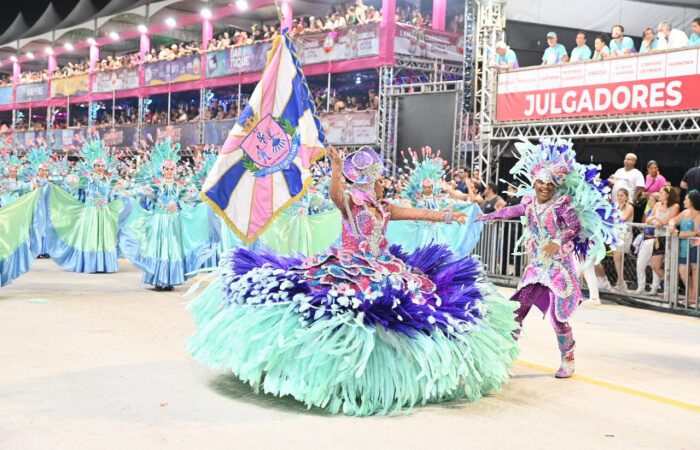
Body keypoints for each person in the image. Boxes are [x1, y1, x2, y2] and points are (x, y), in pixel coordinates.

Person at [187, 146, 519, 415]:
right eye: (374, 178)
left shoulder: (385, 206)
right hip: (349, 265)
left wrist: (450, 215)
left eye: (378, 178)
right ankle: (331, 376)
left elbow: (417, 213)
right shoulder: (352, 200)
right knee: (345, 314)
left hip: (383, 265)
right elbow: (334, 194)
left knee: (404, 311)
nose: (379, 182)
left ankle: (378, 379)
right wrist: (334, 166)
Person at [480, 137, 624, 378]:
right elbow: (509, 211)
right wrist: (483, 217)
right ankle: (503, 355)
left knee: (559, 318)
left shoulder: (561, 204)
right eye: (541, 183)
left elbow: (574, 227)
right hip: (536, 266)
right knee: (518, 310)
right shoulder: (528, 202)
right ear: (534, 183)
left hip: (559, 267)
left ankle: (568, 358)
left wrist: (557, 241)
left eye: (550, 183)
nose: (546, 187)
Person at [644, 187, 680, 295]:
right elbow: (647, 219)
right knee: (655, 265)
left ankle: (670, 289)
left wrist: (657, 220)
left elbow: (667, 221)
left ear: (668, 195)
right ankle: (670, 284)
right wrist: (655, 219)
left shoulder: (675, 206)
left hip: (668, 237)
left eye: (661, 192)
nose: (659, 194)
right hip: (658, 238)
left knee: (669, 264)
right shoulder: (657, 205)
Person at [667, 190, 700, 306]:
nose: (684, 201)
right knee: (683, 271)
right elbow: (673, 220)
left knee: (695, 270)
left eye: (686, 199)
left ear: (692, 201)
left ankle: (694, 297)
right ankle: (690, 294)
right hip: (684, 246)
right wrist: (671, 226)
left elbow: (697, 232)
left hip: (695, 246)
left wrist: (680, 233)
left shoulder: (698, 214)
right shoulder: (685, 212)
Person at [611, 189, 635, 290]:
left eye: (621, 195)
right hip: (616, 233)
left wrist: (612, 218)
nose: (619, 197)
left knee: (618, 256)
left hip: (625, 234)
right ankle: (620, 281)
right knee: (616, 258)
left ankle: (621, 281)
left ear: (626, 196)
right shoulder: (615, 206)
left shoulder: (629, 207)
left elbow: (623, 218)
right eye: (618, 195)